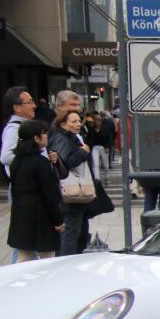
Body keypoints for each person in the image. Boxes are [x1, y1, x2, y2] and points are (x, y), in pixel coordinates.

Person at [7, 120, 65, 262]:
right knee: (47, 259)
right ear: (36, 138)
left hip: (21, 215)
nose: (46, 137)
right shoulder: (41, 163)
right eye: (44, 134)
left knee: (25, 258)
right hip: (41, 217)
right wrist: (58, 220)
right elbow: (49, 194)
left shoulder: (16, 162)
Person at [49, 110, 93, 256]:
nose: (78, 124)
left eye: (79, 121)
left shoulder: (72, 138)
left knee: (76, 230)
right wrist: (83, 152)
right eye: (73, 121)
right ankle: (66, 259)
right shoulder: (63, 138)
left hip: (74, 191)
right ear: (63, 124)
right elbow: (64, 162)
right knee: (71, 231)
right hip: (70, 191)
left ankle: (71, 257)